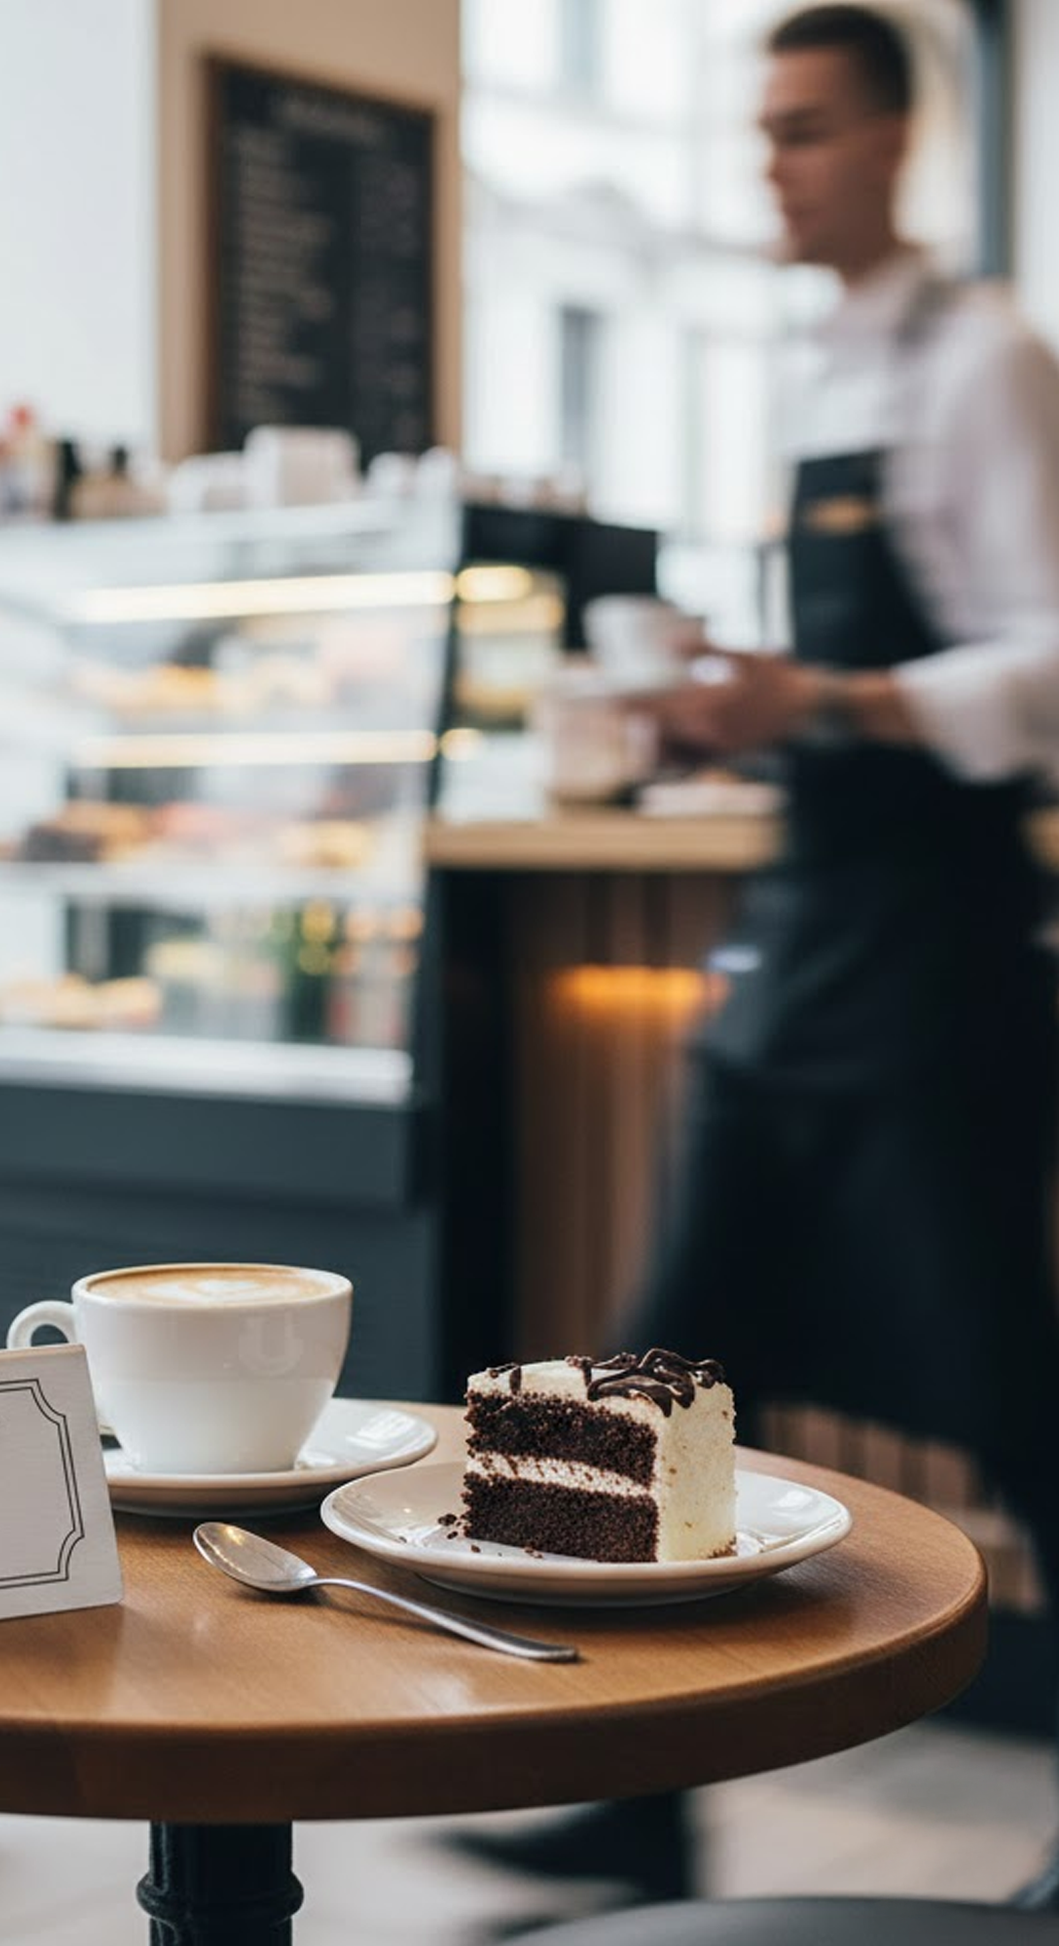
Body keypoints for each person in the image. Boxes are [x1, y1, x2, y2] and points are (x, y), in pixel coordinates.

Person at [452, 2, 1059, 1917]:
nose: (772, 166)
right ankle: (627, 1786)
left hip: (937, 949)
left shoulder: (982, 359)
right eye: (762, 131)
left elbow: (1046, 662)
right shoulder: (813, 371)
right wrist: (739, 704)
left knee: (1011, 1390)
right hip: (810, 927)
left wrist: (829, 698)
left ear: (893, 140)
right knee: (662, 1357)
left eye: (804, 129)